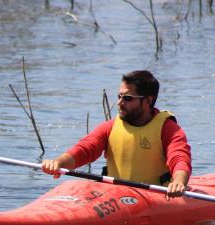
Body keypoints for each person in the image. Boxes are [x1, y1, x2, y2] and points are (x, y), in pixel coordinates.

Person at [42, 70, 191, 198]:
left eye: (127, 98)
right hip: (113, 196)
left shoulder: (169, 129)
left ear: (147, 101)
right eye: (119, 96)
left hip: (154, 197)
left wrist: (179, 181)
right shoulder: (110, 127)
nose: (120, 102)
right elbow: (86, 148)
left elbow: (179, 157)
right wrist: (58, 163)